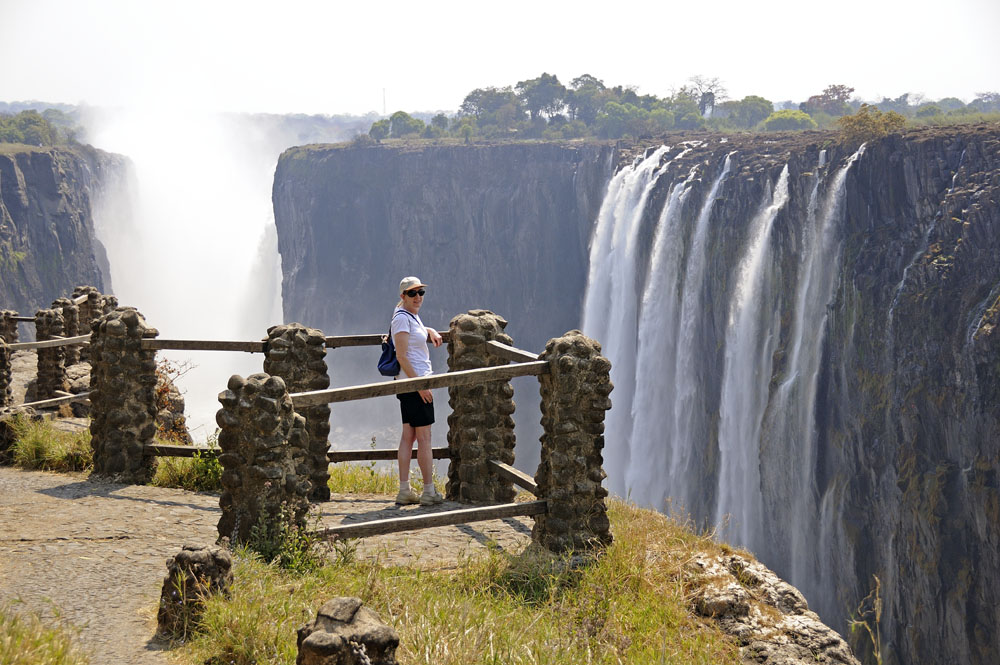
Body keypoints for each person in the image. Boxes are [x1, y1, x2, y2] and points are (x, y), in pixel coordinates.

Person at [391, 276, 445, 506]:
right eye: (412, 293)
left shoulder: (409, 316)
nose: (418, 297)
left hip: (410, 385)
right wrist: (420, 386)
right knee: (424, 438)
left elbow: (414, 333)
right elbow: (401, 355)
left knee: (409, 436)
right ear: (403, 296)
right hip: (415, 385)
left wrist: (430, 330)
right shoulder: (402, 319)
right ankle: (428, 491)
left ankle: (405, 490)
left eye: (421, 292)